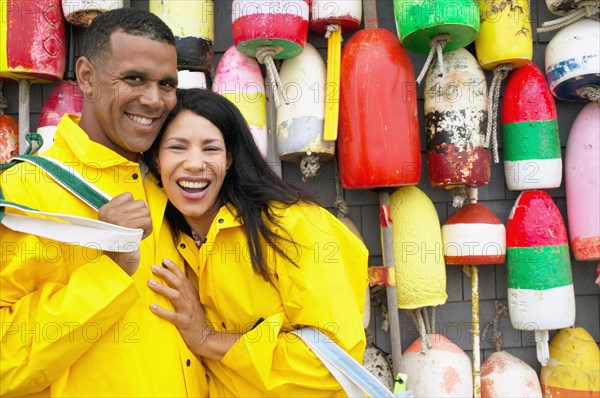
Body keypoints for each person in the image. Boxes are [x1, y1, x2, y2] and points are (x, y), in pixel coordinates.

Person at [0, 9, 208, 396]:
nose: (153, 100)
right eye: (133, 78)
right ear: (87, 76)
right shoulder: (23, 192)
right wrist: (108, 272)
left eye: (166, 84)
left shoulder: (172, 187)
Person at [142, 88, 369, 396]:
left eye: (211, 149)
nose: (195, 164)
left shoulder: (293, 224)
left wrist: (207, 338)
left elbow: (332, 361)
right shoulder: (164, 232)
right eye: (177, 147)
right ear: (157, 158)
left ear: (230, 159)